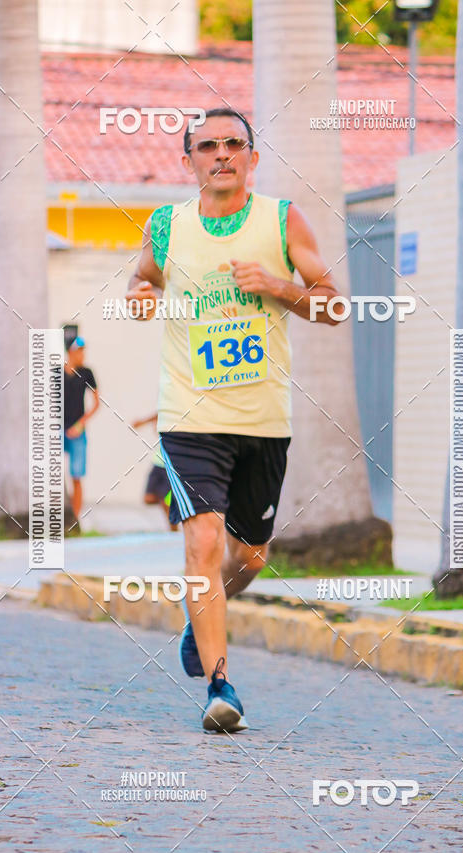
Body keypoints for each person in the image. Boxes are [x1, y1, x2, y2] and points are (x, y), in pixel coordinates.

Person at [126, 107, 339, 733]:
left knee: (248, 558)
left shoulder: (282, 219)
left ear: (251, 155)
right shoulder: (167, 225)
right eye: (206, 145)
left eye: (233, 144)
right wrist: (139, 297)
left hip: (263, 419)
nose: (220, 154)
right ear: (188, 159)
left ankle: (203, 614)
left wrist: (276, 284)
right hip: (189, 414)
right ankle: (221, 686)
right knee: (202, 542)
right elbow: (141, 280)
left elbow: (332, 306)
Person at [63, 336, 99, 522]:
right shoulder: (57, 372)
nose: (82, 354)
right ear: (70, 352)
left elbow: (96, 403)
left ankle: (75, 520)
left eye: (84, 350)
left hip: (77, 430)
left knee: (76, 475)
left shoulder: (87, 373)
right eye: (79, 350)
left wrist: (80, 424)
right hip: (59, 429)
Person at [131, 412, 178, 531]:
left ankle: (173, 528)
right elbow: (159, 413)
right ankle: (175, 504)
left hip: (171, 466)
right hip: (158, 463)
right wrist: (143, 422)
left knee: (164, 499)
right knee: (148, 498)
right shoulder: (165, 411)